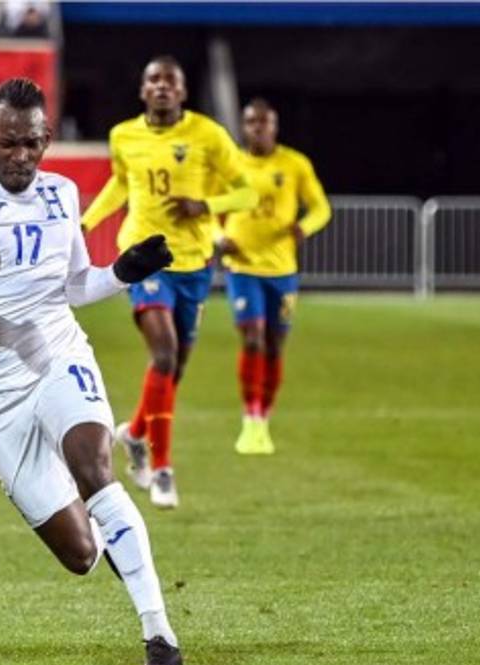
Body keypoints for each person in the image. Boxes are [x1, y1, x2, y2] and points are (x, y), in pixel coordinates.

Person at [0, 78, 183, 665]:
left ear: (48, 138)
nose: (21, 157)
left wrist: (122, 272)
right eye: (8, 144)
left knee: (97, 468)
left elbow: (72, 287)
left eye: (33, 144)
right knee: (82, 554)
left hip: (56, 353)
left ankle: (160, 635)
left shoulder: (61, 194)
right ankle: (105, 524)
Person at [81, 55, 258, 509]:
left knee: (173, 369)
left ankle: (136, 434)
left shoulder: (208, 135)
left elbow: (247, 191)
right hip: (144, 258)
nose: (161, 86)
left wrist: (205, 204)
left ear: (182, 91)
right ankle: (162, 469)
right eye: (153, 80)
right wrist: (85, 223)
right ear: (143, 91)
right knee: (163, 354)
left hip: (194, 264)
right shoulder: (124, 135)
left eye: (170, 81)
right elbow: (121, 185)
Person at [217, 98, 330, 454]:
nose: (258, 128)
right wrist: (219, 239)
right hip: (243, 267)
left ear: (275, 127)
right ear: (244, 126)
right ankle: (250, 418)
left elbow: (321, 207)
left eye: (264, 123)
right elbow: (204, 212)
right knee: (253, 337)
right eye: (251, 122)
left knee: (275, 345)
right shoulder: (229, 165)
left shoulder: (295, 164)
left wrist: (304, 227)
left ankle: (264, 417)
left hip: (282, 270)